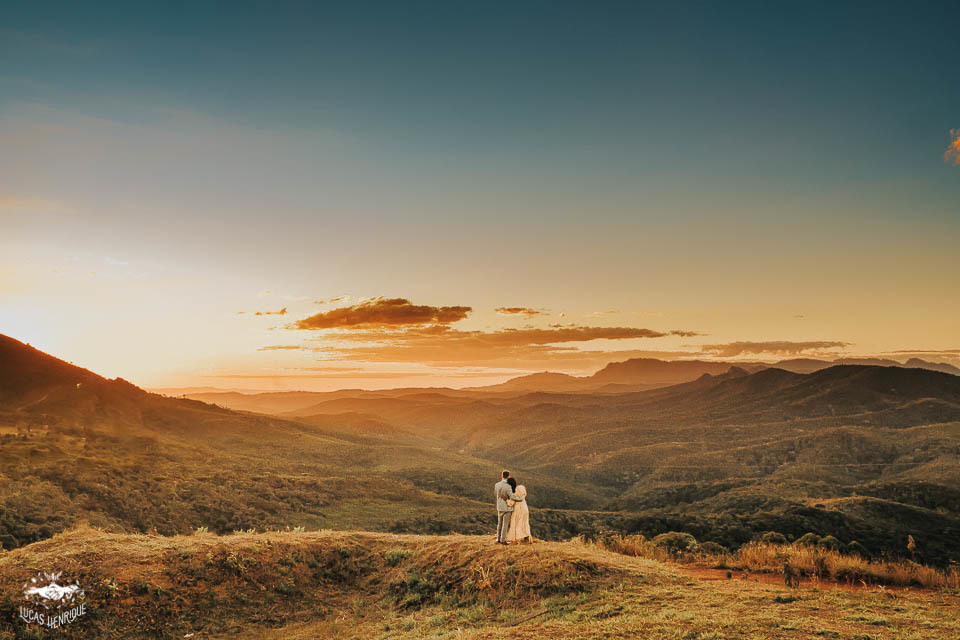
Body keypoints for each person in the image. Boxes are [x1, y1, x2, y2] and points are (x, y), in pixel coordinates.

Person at [494, 470, 524, 545]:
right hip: (507, 507)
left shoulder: (497, 485)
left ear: (502, 475)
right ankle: (503, 540)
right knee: (505, 524)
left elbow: (496, 494)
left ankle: (498, 539)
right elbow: (512, 496)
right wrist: (520, 499)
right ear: (508, 476)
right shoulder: (508, 486)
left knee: (499, 523)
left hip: (499, 506)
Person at [506, 478, 531, 543]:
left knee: (516, 524)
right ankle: (527, 537)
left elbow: (511, 503)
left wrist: (506, 499)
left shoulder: (513, 493)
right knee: (524, 523)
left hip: (518, 509)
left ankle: (517, 539)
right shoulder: (521, 488)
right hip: (525, 507)